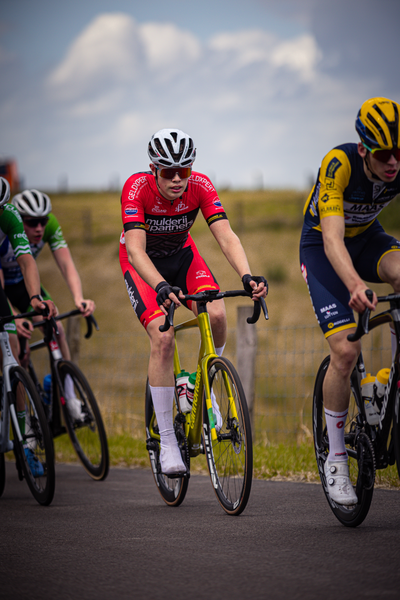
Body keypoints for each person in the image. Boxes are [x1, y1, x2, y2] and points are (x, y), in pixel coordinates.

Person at [120, 128, 268, 475]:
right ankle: (168, 440)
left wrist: (247, 275)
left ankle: (204, 383)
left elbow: (226, 236)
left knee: (216, 312)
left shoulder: (200, 186)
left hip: (182, 256)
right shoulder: (136, 188)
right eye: (167, 172)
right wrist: (159, 285)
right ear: (153, 168)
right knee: (164, 335)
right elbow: (136, 250)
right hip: (143, 265)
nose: (176, 179)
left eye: (182, 171)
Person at [300, 97, 400, 505]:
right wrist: (356, 285)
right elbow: (332, 238)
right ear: (363, 150)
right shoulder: (338, 164)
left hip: (369, 239)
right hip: (324, 250)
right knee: (345, 350)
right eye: (383, 155)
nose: (393, 162)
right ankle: (336, 457)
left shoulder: (396, 161)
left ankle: (388, 384)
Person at [0, 188, 95, 420]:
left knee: (57, 329)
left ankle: (71, 400)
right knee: (17, 349)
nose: (39, 228)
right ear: (20, 219)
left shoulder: (49, 227)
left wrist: (78, 297)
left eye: (43, 221)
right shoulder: (7, 227)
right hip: (4, 287)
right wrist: (14, 314)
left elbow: (66, 264)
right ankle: (25, 403)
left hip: (25, 285)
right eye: (32, 223)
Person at [0, 177, 56, 475]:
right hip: (2, 288)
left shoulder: (9, 215)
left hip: (13, 287)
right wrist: (12, 314)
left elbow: (27, 261)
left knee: (17, 348)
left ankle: (24, 439)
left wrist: (34, 299)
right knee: (9, 337)